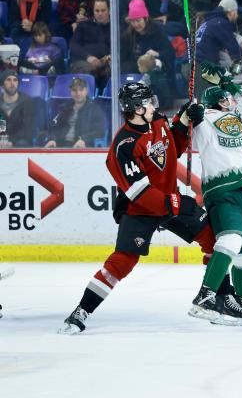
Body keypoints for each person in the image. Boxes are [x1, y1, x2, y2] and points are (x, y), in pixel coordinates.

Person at [58, 82, 217, 334]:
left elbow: (171, 147)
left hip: (168, 200)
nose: (154, 104)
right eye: (149, 102)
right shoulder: (124, 146)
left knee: (211, 237)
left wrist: (185, 120)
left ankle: (216, 296)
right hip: (140, 209)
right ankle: (81, 311)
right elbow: (140, 193)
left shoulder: (158, 122)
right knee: (122, 262)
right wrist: (174, 203)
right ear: (137, 108)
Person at [184, 63, 242, 325]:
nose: (230, 100)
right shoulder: (205, 120)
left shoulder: (241, 117)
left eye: (230, 97)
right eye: (225, 97)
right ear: (216, 102)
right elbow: (187, 136)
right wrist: (188, 117)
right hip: (221, 193)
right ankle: (204, 296)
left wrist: (227, 81)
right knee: (230, 241)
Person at [120, 0, 176, 108]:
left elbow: (171, 53)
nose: (136, 24)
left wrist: (157, 54)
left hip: (155, 73)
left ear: (145, 18)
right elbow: (123, 57)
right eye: (133, 21)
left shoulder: (158, 30)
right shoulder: (128, 35)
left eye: (138, 20)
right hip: (136, 70)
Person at [45, 77, 105, 148]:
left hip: (83, 147)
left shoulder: (95, 109)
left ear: (86, 91)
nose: (78, 93)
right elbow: (54, 126)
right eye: (74, 90)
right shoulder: (65, 108)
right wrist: (52, 139)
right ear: (70, 92)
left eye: (81, 90)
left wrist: (84, 140)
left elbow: (99, 131)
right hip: (61, 145)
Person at [69, 0, 111, 88]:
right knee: (89, 70)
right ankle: (88, 100)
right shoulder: (83, 26)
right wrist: (88, 57)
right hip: (84, 62)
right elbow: (74, 46)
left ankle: (108, 100)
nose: (100, 14)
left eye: (103, 10)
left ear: (109, 11)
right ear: (93, 11)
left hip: (106, 63)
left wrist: (108, 59)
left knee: (112, 71)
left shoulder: (114, 27)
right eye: (97, 11)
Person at [0, 70, 38, 147]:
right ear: (2, 85)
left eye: (15, 80)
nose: (12, 83)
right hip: (2, 139)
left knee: (22, 143)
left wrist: (11, 141)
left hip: (20, 140)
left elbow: (29, 128)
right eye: (8, 80)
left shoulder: (27, 101)